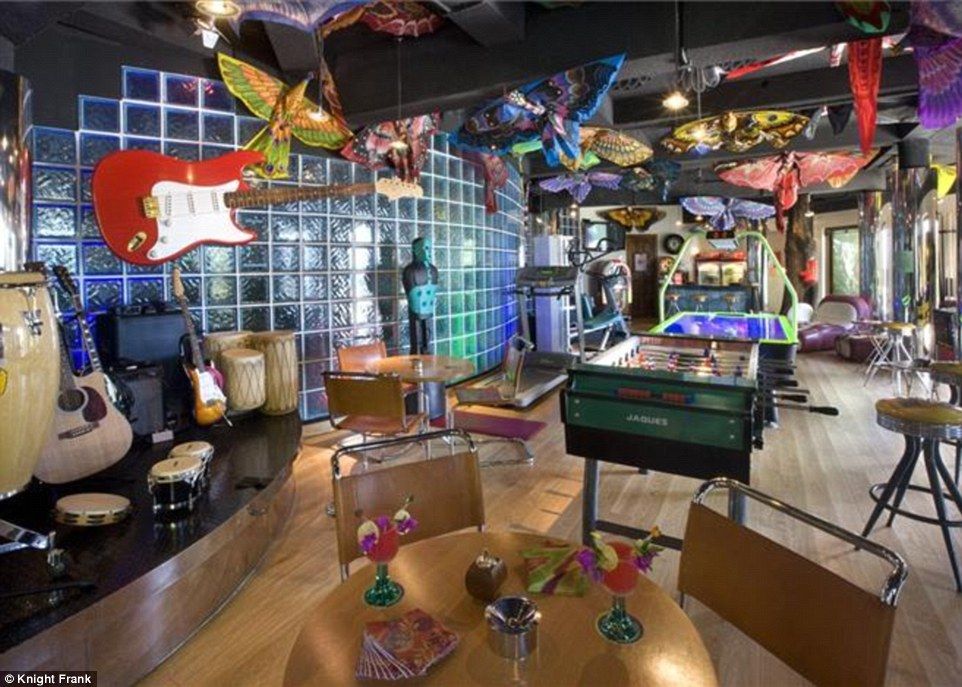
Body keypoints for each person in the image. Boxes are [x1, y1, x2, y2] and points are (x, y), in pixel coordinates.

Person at [401, 237, 439, 354]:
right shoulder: (431, 270)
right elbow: (411, 296)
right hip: (419, 312)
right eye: (425, 248)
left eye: (429, 248)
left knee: (425, 342)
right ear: (416, 250)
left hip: (422, 312)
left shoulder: (410, 270)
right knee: (420, 344)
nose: (428, 251)